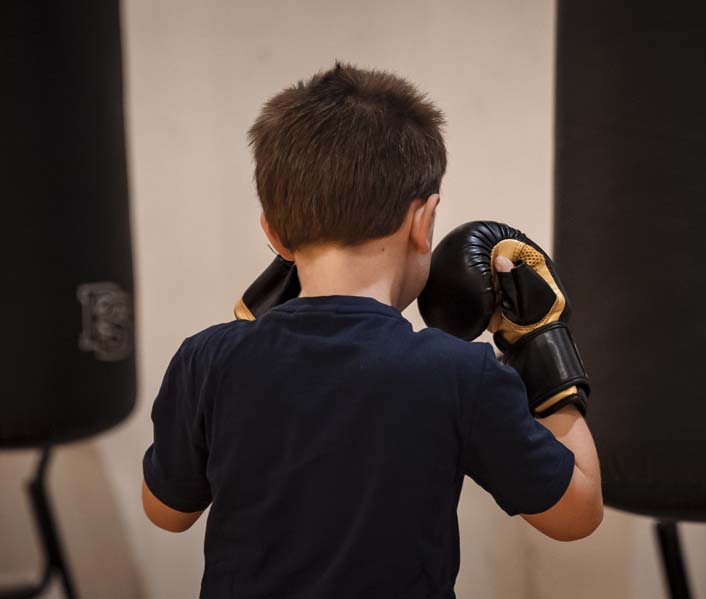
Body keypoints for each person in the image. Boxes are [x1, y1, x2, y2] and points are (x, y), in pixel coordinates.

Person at [140, 62, 602, 598]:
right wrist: (542, 338)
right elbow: (578, 513)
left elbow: (166, 513)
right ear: (424, 221)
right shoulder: (458, 372)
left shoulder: (207, 358)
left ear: (274, 233)